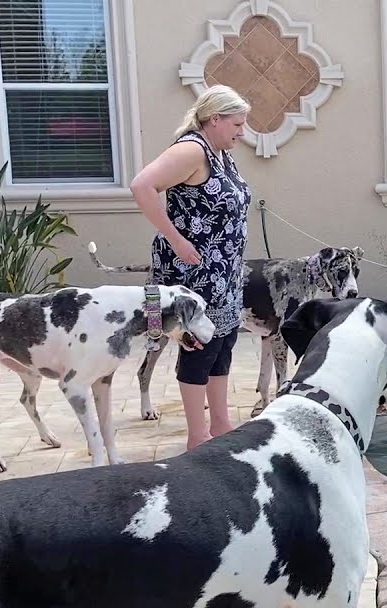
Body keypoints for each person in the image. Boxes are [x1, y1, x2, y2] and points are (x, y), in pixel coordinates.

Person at [130, 85, 252, 450]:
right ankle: (197, 436)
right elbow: (142, 186)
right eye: (237, 124)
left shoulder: (220, 152)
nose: (242, 132)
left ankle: (220, 423)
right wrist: (175, 239)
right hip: (194, 274)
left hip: (223, 272)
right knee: (199, 345)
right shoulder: (191, 150)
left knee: (223, 342)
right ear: (214, 119)